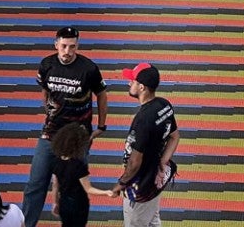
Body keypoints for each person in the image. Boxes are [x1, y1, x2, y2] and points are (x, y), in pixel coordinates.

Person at [22, 26, 108, 227]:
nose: (67, 51)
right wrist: (49, 113)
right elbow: (45, 90)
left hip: (77, 139)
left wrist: (101, 126)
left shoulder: (89, 69)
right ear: (56, 45)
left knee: (73, 187)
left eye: (72, 47)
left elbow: (102, 95)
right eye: (63, 46)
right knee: (35, 184)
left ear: (77, 46)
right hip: (51, 132)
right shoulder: (46, 65)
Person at [111, 64, 179, 227]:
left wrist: (121, 184)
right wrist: (163, 161)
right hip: (154, 182)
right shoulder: (164, 105)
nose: (129, 84)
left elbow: (135, 162)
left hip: (140, 188)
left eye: (132, 81)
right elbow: (175, 136)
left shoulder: (143, 119)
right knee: (152, 220)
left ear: (141, 87)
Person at [50, 122, 116, 227]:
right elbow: (88, 188)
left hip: (64, 203)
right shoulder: (78, 165)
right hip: (78, 204)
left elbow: (55, 185)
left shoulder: (56, 162)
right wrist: (106, 192)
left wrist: (55, 203)